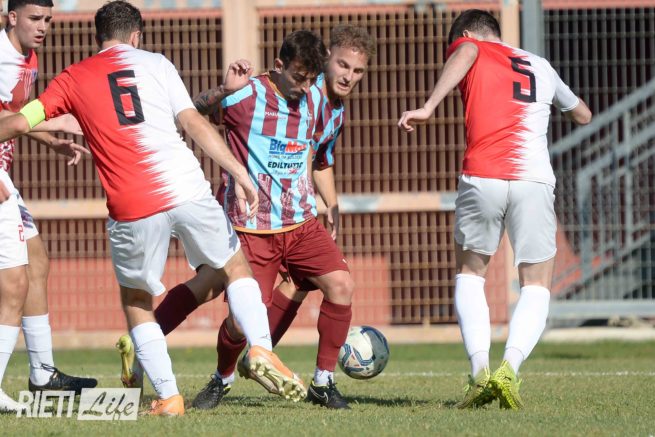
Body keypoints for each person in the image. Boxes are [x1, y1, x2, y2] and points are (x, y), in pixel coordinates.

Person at [0, 0, 306, 416]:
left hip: (132, 203)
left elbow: (19, 121)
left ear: (98, 38)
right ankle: (261, 348)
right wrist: (239, 172)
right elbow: (193, 122)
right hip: (186, 187)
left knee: (137, 300)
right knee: (235, 268)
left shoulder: (72, 77)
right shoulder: (158, 63)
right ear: (136, 37)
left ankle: (168, 396)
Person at [149, 27, 374, 410]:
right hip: (252, 228)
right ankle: (220, 376)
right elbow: (192, 115)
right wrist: (223, 90)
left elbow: (317, 156)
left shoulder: (324, 104)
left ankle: (323, 381)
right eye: (299, 78)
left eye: (357, 71)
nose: (306, 87)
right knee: (234, 314)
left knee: (341, 284)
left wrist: (330, 204)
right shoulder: (247, 95)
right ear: (281, 66)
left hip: (301, 224)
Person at [398, 9, 592, 410]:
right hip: (533, 181)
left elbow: (468, 51)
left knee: (471, 275)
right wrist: (562, 108)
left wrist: (430, 106)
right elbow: (583, 114)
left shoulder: (472, 47)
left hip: (483, 175)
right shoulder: (540, 64)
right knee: (536, 285)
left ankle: (479, 373)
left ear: (468, 34)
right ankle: (510, 369)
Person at [0, 0, 94, 412]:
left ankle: (42, 374)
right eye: (35, 19)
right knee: (14, 282)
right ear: (12, 17)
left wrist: (50, 139)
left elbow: (12, 115)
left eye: (48, 20)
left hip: (5, 175)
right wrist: (55, 121)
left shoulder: (28, 57)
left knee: (36, 261)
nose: (43, 27)